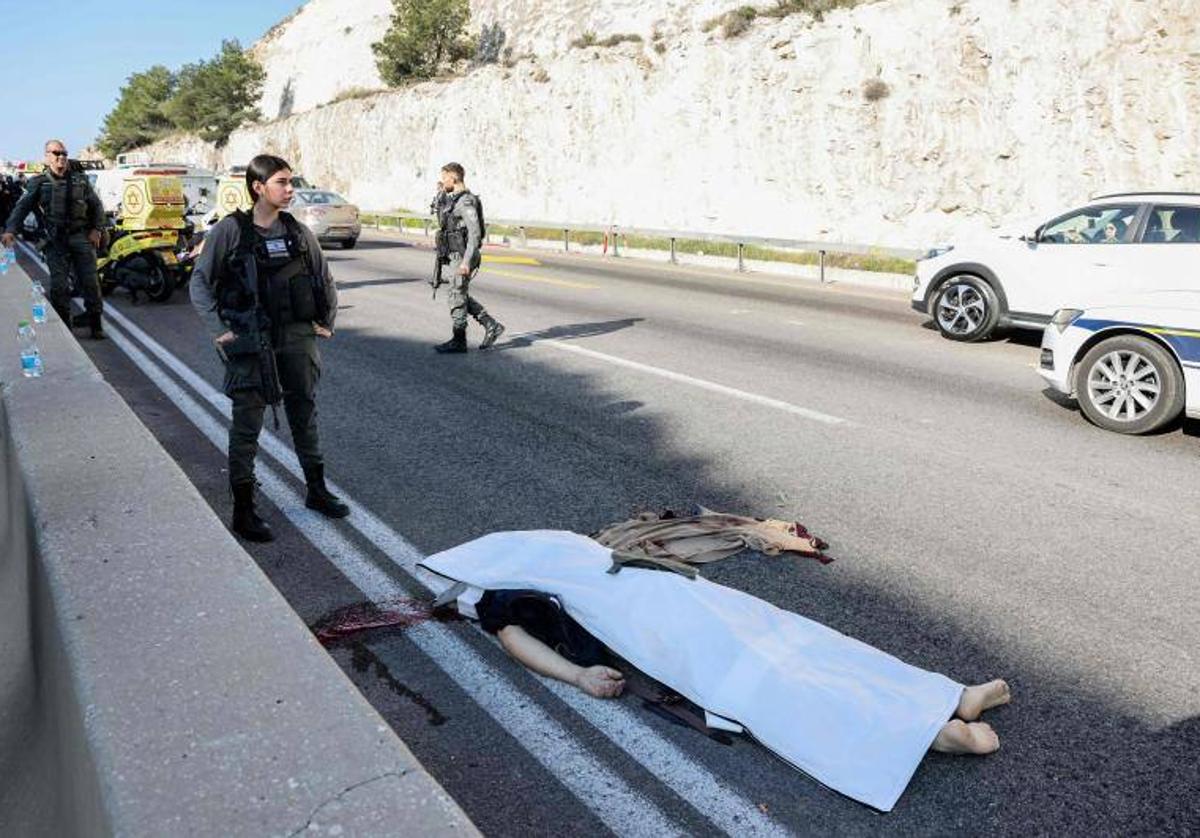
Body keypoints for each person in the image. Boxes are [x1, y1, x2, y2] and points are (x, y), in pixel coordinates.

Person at [423, 530, 1012, 811]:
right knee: (774, 671)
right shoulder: (502, 589)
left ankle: (947, 696)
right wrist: (578, 676)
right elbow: (515, 639)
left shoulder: (530, 564)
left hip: (675, 602)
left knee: (803, 644)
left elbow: (514, 633)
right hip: (651, 625)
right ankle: (930, 729)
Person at [189, 154, 349, 543]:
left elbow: (323, 277)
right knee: (248, 423)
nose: (290, 189)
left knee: (303, 412)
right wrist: (219, 330)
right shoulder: (230, 231)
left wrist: (327, 321)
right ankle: (243, 508)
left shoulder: (297, 231)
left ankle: (316, 489)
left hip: (295, 335)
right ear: (259, 187)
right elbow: (200, 282)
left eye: (291, 182)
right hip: (249, 337)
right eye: (282, 182)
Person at [2, 140, 107, 338]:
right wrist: (10, 230)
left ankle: (96, 324)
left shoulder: (80, 180)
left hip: (80, 237)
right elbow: (21, 208)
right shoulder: (39, 182)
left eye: (64, 153)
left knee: (90, 282)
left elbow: (96, 207)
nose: (61, 157)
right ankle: (65, 327)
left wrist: (97, 229)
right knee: (59, 286)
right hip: (54, 241)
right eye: (56, 153)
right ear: (47, 156)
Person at [432, 162, 504, 353]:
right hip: (456, 254)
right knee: (458, 293)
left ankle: (459, 340)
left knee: (456, 294)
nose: (442, 180)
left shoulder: (466, 202)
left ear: (453, 178)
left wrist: (465, 261)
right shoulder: (454, 199)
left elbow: (475, 234)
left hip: (464, 255)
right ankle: (491, 325)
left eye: (444, 177)